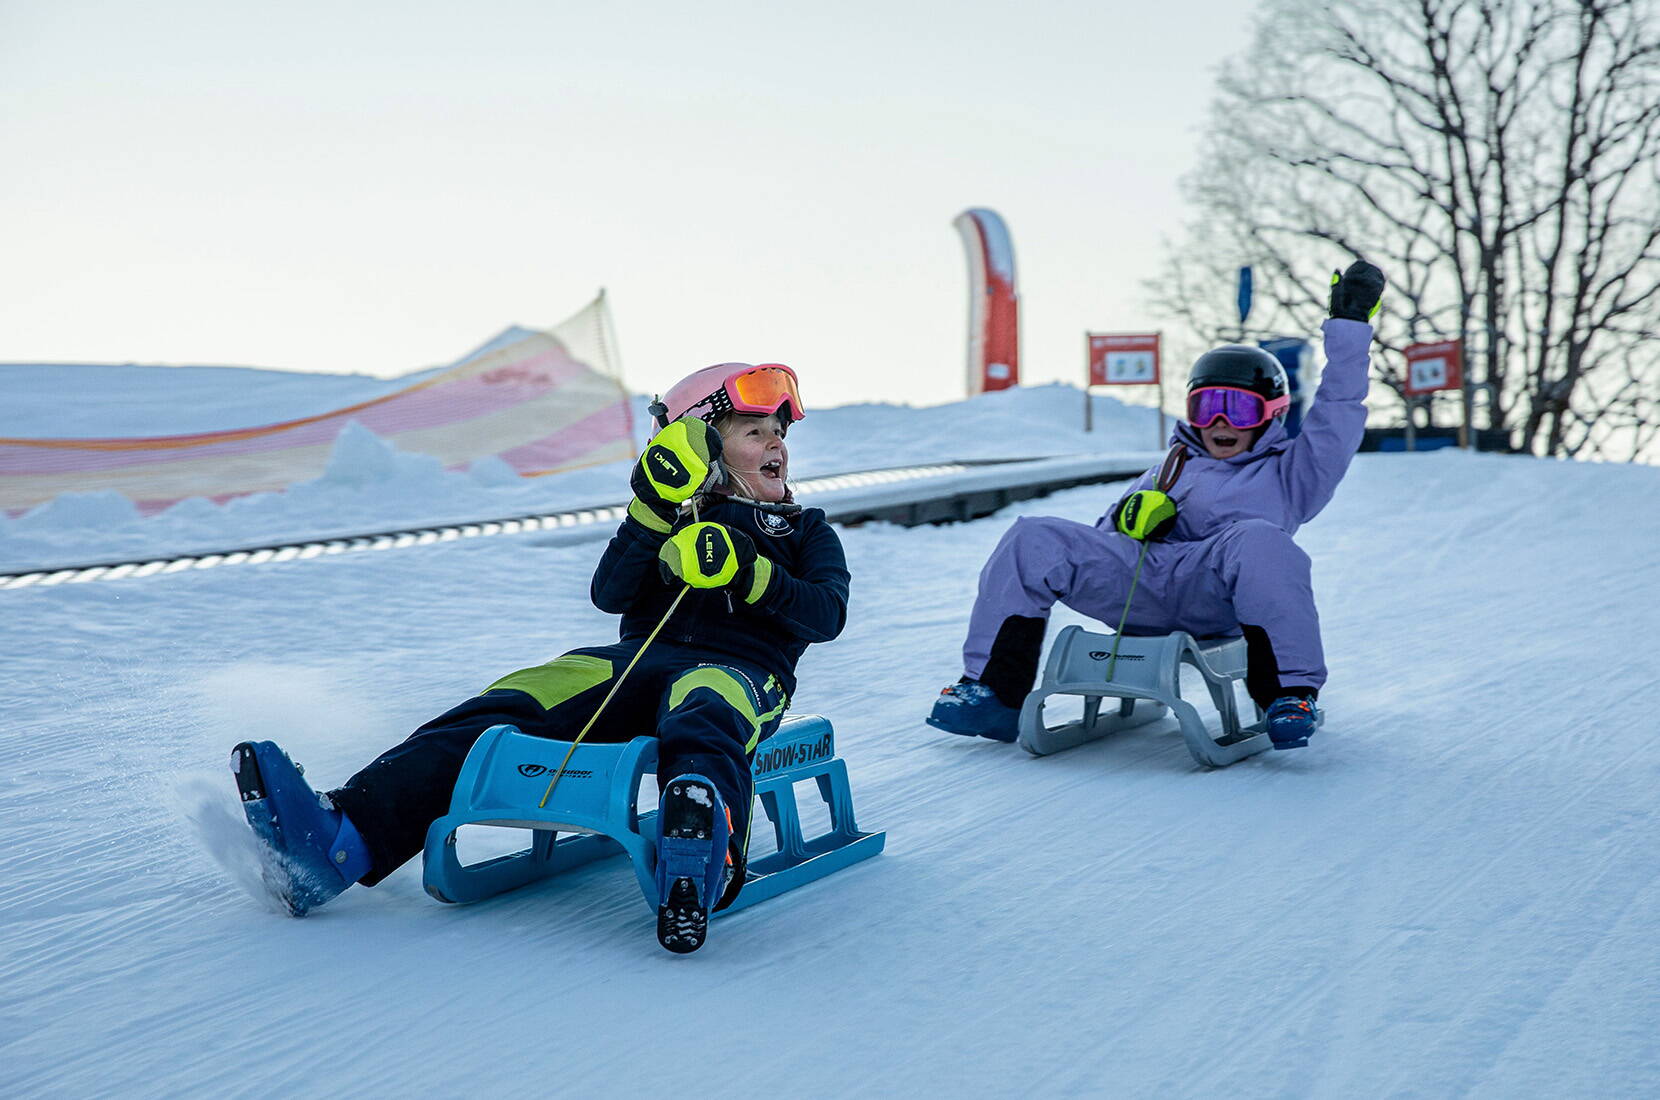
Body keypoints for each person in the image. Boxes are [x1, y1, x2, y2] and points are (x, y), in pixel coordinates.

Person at [231, 362, 851, 953]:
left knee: (703, 711)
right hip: (632, 661)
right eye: (754, 432)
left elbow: (826, 612)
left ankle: (702, 847)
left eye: (779, 432)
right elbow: (611, 594)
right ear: (704, 450)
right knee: (514, 699)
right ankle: (342, 839)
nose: (777, 445)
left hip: (742, 671)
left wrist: (748, 572)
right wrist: (652, 514)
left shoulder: (803, 530)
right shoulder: (666, 517)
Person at [927, 260, 1386, 750]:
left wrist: (1350, 328)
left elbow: (1339, 409)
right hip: (1141, 586)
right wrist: (1126, 519)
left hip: (1218, 593)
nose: (1220, 422)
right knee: (1032, 536)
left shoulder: (1294, 472)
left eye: (1240, 408)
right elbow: (1103, 545)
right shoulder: (1171, 465)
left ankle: (1290, 695)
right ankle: (992, 692)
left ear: (1270, 414)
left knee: (1260, 540)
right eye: (1207, 407)